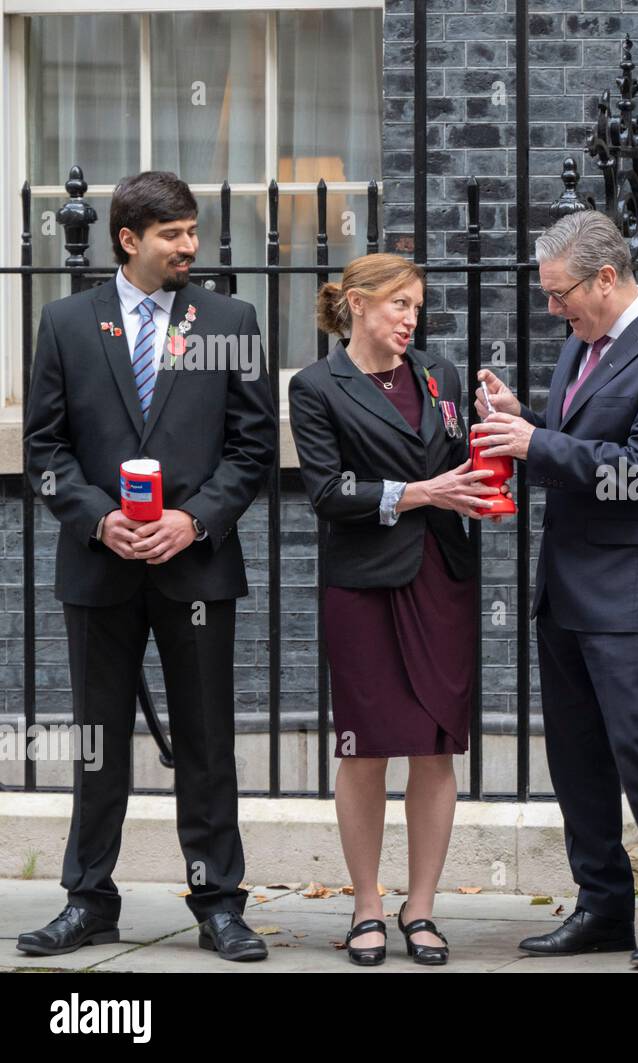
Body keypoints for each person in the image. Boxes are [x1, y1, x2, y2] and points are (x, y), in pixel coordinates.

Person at [19, 171, 277, 961]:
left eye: (193, 231)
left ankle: (218, 900)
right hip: (99, 571)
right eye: (174, 234)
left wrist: (192, 520)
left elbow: (254, 447)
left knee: (207, 741)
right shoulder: (64, 323)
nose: (189, 247)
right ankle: (89, 899)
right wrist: (99, 520)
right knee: (98, 742)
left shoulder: (231, 318)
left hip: (196, 568)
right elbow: (44, 449)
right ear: (128, 240)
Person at [473, 210, 638, 968]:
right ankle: (602, 905)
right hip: (570, 584)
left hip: (634, 592)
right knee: (577, 756)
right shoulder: (587, 343)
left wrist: (537, 444)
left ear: (606, 278)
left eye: (560, 293)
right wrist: (530, 418)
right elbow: (588, 437)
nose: (553, 309)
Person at [289, 253, 507, 966]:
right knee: (365, 746)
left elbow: (462, 460)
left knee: (435, 745)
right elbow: (327, 491)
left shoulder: (441, 376)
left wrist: (495, 426)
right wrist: (421, 493)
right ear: (356, 304)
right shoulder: (318, 387)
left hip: (440, 577)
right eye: (397, 305)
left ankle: (421, 908)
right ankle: (366, 905)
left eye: (416, 306)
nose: (411, 318)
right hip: (363, 585)